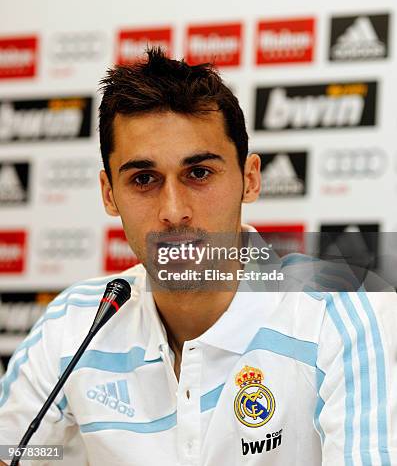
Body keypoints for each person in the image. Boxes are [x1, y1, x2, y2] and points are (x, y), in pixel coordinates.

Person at [0, 48, 396, 465]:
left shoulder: (346, 314)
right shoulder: (75, 325)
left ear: (250, 179)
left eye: (199, 173)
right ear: (108, 194)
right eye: (144, 179)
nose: (173, 210)